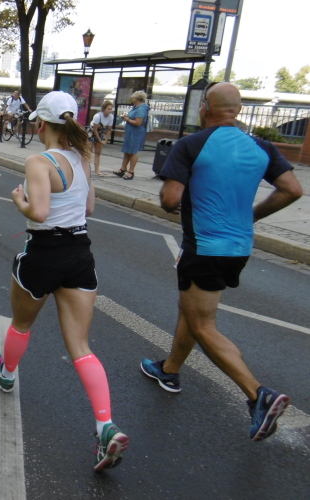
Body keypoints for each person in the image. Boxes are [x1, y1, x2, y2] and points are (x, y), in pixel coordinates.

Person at [141, 82, 303, 442]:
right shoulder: (262, 147)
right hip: (240, 247)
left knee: (203, 324)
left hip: (204, 247)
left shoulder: (191, 144)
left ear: (204, 108)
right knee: (191, 310)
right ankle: (169, 369)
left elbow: (170, 199)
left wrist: (172, 197)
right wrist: (252, 215)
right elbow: (293, 189)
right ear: (239, 109)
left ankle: (258, 395)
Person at [0, 91, 129, 471]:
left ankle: (7, 372)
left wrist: (19, 200)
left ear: (41, 125)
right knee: (81, 346)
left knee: (21, 324)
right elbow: (89, 208)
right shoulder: (83, 160)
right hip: (80, 254)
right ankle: (106, 426)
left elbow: (40, 212)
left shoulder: (38, 161)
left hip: (44, 253)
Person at [114, 90, 149, 180]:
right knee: (127, 150)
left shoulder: (141, 109)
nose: (132, 99)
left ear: (137, 98)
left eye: (133, 97)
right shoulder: (135, 108)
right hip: (130, 132)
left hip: (136, 133)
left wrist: (127, 119)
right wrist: (127, 117)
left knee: (133, 151)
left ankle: (131, 171)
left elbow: (138, 123)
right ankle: (123, 169)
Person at [89, 101, 114, 176]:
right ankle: (86, 168)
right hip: (92, 132)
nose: (110, 111)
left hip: (101, 132)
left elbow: (109, 129)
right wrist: (99, 140)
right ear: (104, 109)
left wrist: (105, 140)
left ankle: (97, 170)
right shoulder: (98, 116)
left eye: (111, 109)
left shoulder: (111, 117)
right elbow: (95, 129)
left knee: (98, 153)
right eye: (108, 109)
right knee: (89, 152)